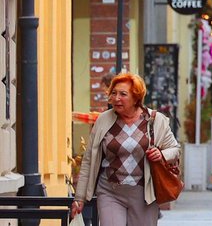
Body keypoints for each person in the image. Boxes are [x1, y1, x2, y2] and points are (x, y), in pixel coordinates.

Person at [71, 72, 180, 226]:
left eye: (123, 94)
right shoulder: (103, 120)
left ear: (136, 97)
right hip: (110, 191)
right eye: (113, 93)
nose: (116, 98)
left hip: (144, 194)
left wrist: (162, 154)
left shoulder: (155, 120)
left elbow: (175, 149)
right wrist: (79, 198)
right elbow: (89, 160)